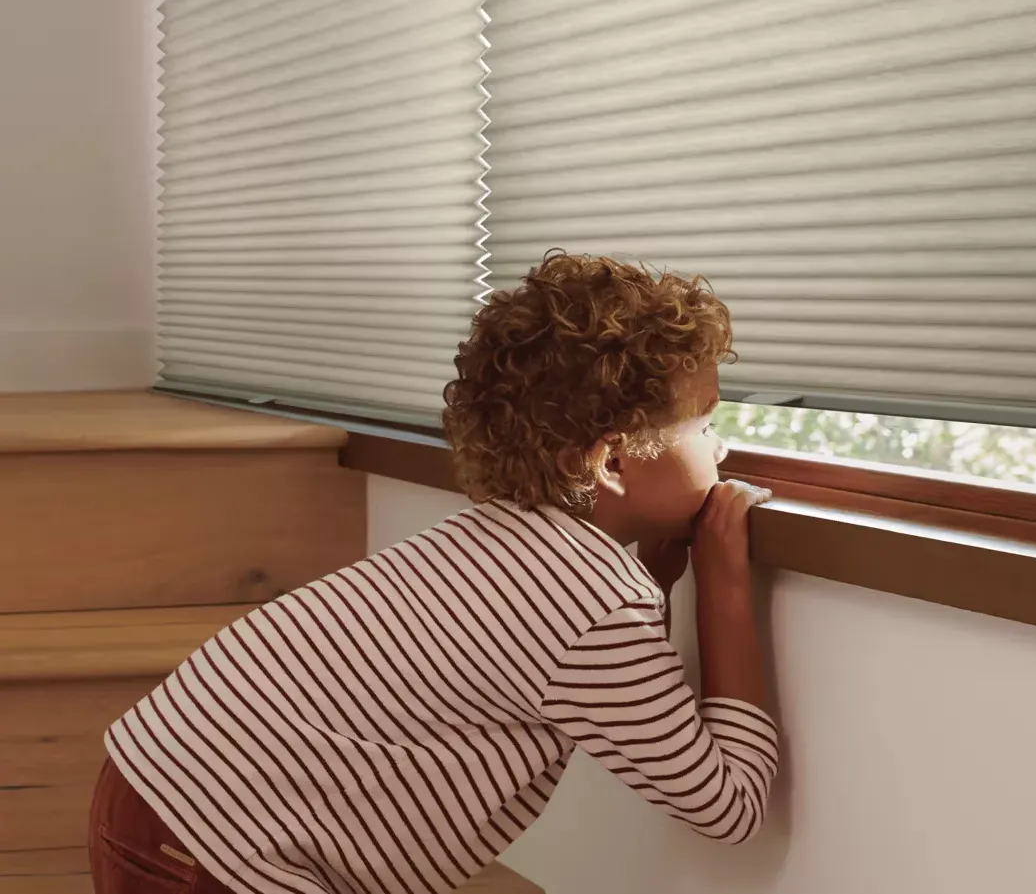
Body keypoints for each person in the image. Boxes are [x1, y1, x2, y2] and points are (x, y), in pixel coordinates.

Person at [89, 252, 779, 894]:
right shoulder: (594, 610)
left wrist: (655, 575)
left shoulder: (490, 539)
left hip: (154, 783)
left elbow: (569, 658)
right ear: (612, 462)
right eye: (703, 426)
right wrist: (724, 583)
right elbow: (729, 804)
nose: (720, 449)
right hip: (222, 852)